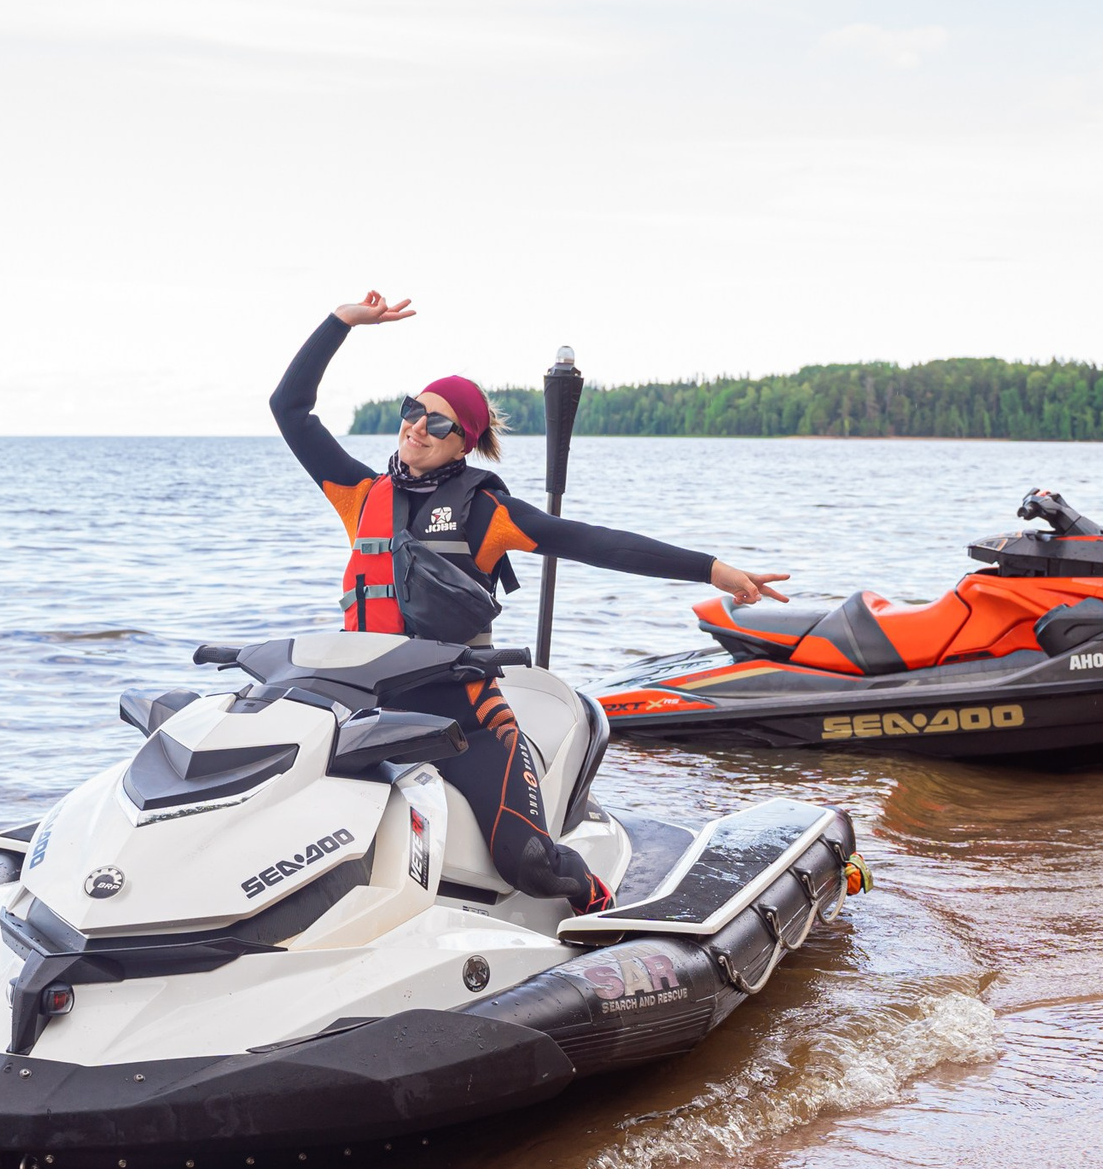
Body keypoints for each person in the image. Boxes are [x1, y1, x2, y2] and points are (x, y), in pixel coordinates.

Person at [270, 292, 789, 912]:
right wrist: (342, 323)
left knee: (529, 862)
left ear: (465, 442)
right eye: (414, 410)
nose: (417, 426)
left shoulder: (487, 512)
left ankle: (597, 900)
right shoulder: (360, 495)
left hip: (461, 717)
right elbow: (290, 408)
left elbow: (595, 543)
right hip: (364, 710)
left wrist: (712, 570)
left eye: (438, 422)